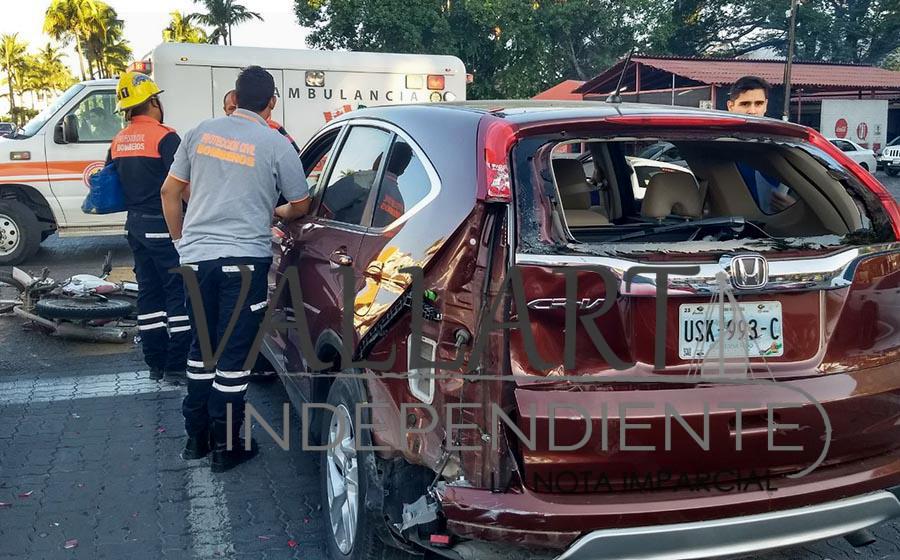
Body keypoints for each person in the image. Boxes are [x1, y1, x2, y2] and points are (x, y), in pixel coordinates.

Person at [161, 66, 311, 471]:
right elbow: (301, 204)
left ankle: (196, 440)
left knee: (201, 350)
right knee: (232, 358)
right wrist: (275, 212)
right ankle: (227, 448)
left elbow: (170, 191)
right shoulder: (276, 143)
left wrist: (180, 244)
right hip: (244, 263)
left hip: (196, 260)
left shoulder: (199, 132)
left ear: (235, 97)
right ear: (272, 102)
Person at [108, 72, 189, 382]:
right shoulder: (165, 137)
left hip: (135, 226)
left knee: (149, 293)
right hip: (164, 225)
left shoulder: (119, 140)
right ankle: (177, 364)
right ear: (153, 101)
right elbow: (182, 186)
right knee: (178, 292)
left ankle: (155, 363)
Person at [726, 76, 795, 213]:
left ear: (765, 105)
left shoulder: (779, 148)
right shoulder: (715, 145)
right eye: (745, 104)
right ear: (730, 106)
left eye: (758, 104)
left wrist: (793, 208)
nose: (752, 111)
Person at [224, 88, 300, 153]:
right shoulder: (221, 131)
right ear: (225, 110)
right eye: (232, 108)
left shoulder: (273, 127)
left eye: (240, 108)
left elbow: (296, 156)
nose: (237, 112)